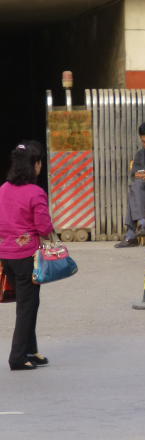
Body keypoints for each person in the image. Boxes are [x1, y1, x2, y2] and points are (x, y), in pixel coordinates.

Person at [0, 141, 54, 371]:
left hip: (6, 256)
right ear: (36, 165)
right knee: (27, 305)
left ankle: (30, 350)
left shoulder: (3, 189)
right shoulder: (35, 192)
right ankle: (17, 357)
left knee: (28, 303)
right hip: (27, 258)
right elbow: (43, 227)